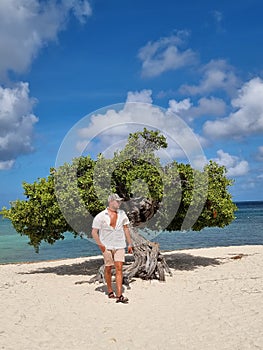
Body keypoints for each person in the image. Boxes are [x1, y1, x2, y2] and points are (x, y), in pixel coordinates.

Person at [91, 193, 133, 303]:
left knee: (119, 268)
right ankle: (110, 291)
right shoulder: (100, 216)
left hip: (119, 245)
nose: (119, 203)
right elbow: (94, 233)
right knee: (108, 268)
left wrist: (130, 244)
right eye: (117, 201)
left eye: (119, 201)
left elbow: (126, 229)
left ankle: (119, 295)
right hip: (106, 246)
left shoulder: (122, 214)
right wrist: (101, 245)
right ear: (111, 202)